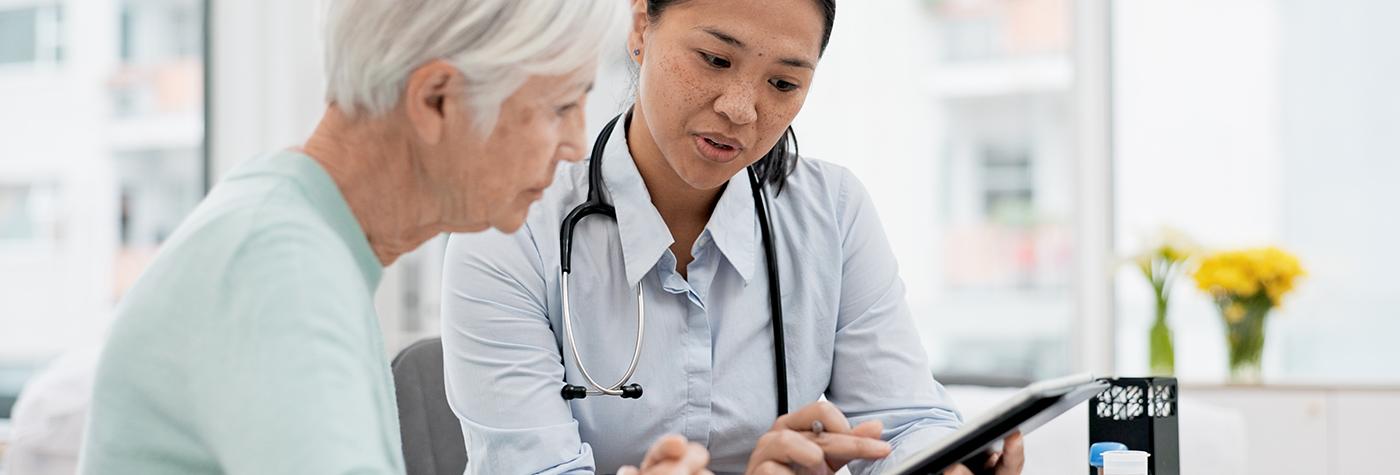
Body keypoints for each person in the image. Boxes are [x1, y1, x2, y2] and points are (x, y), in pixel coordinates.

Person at [77, 1, 709, 473]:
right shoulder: (277, 272)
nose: (577, 143)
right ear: (436, 100)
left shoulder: (291, 234)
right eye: (557, 107)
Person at [440, 0, 1025, 474]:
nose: (742, 110)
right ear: (640, 25)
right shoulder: (510, 228)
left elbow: (903, 420)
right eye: (715, 60)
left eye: (783, 83)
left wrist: (947, 460)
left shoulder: (832, 212)